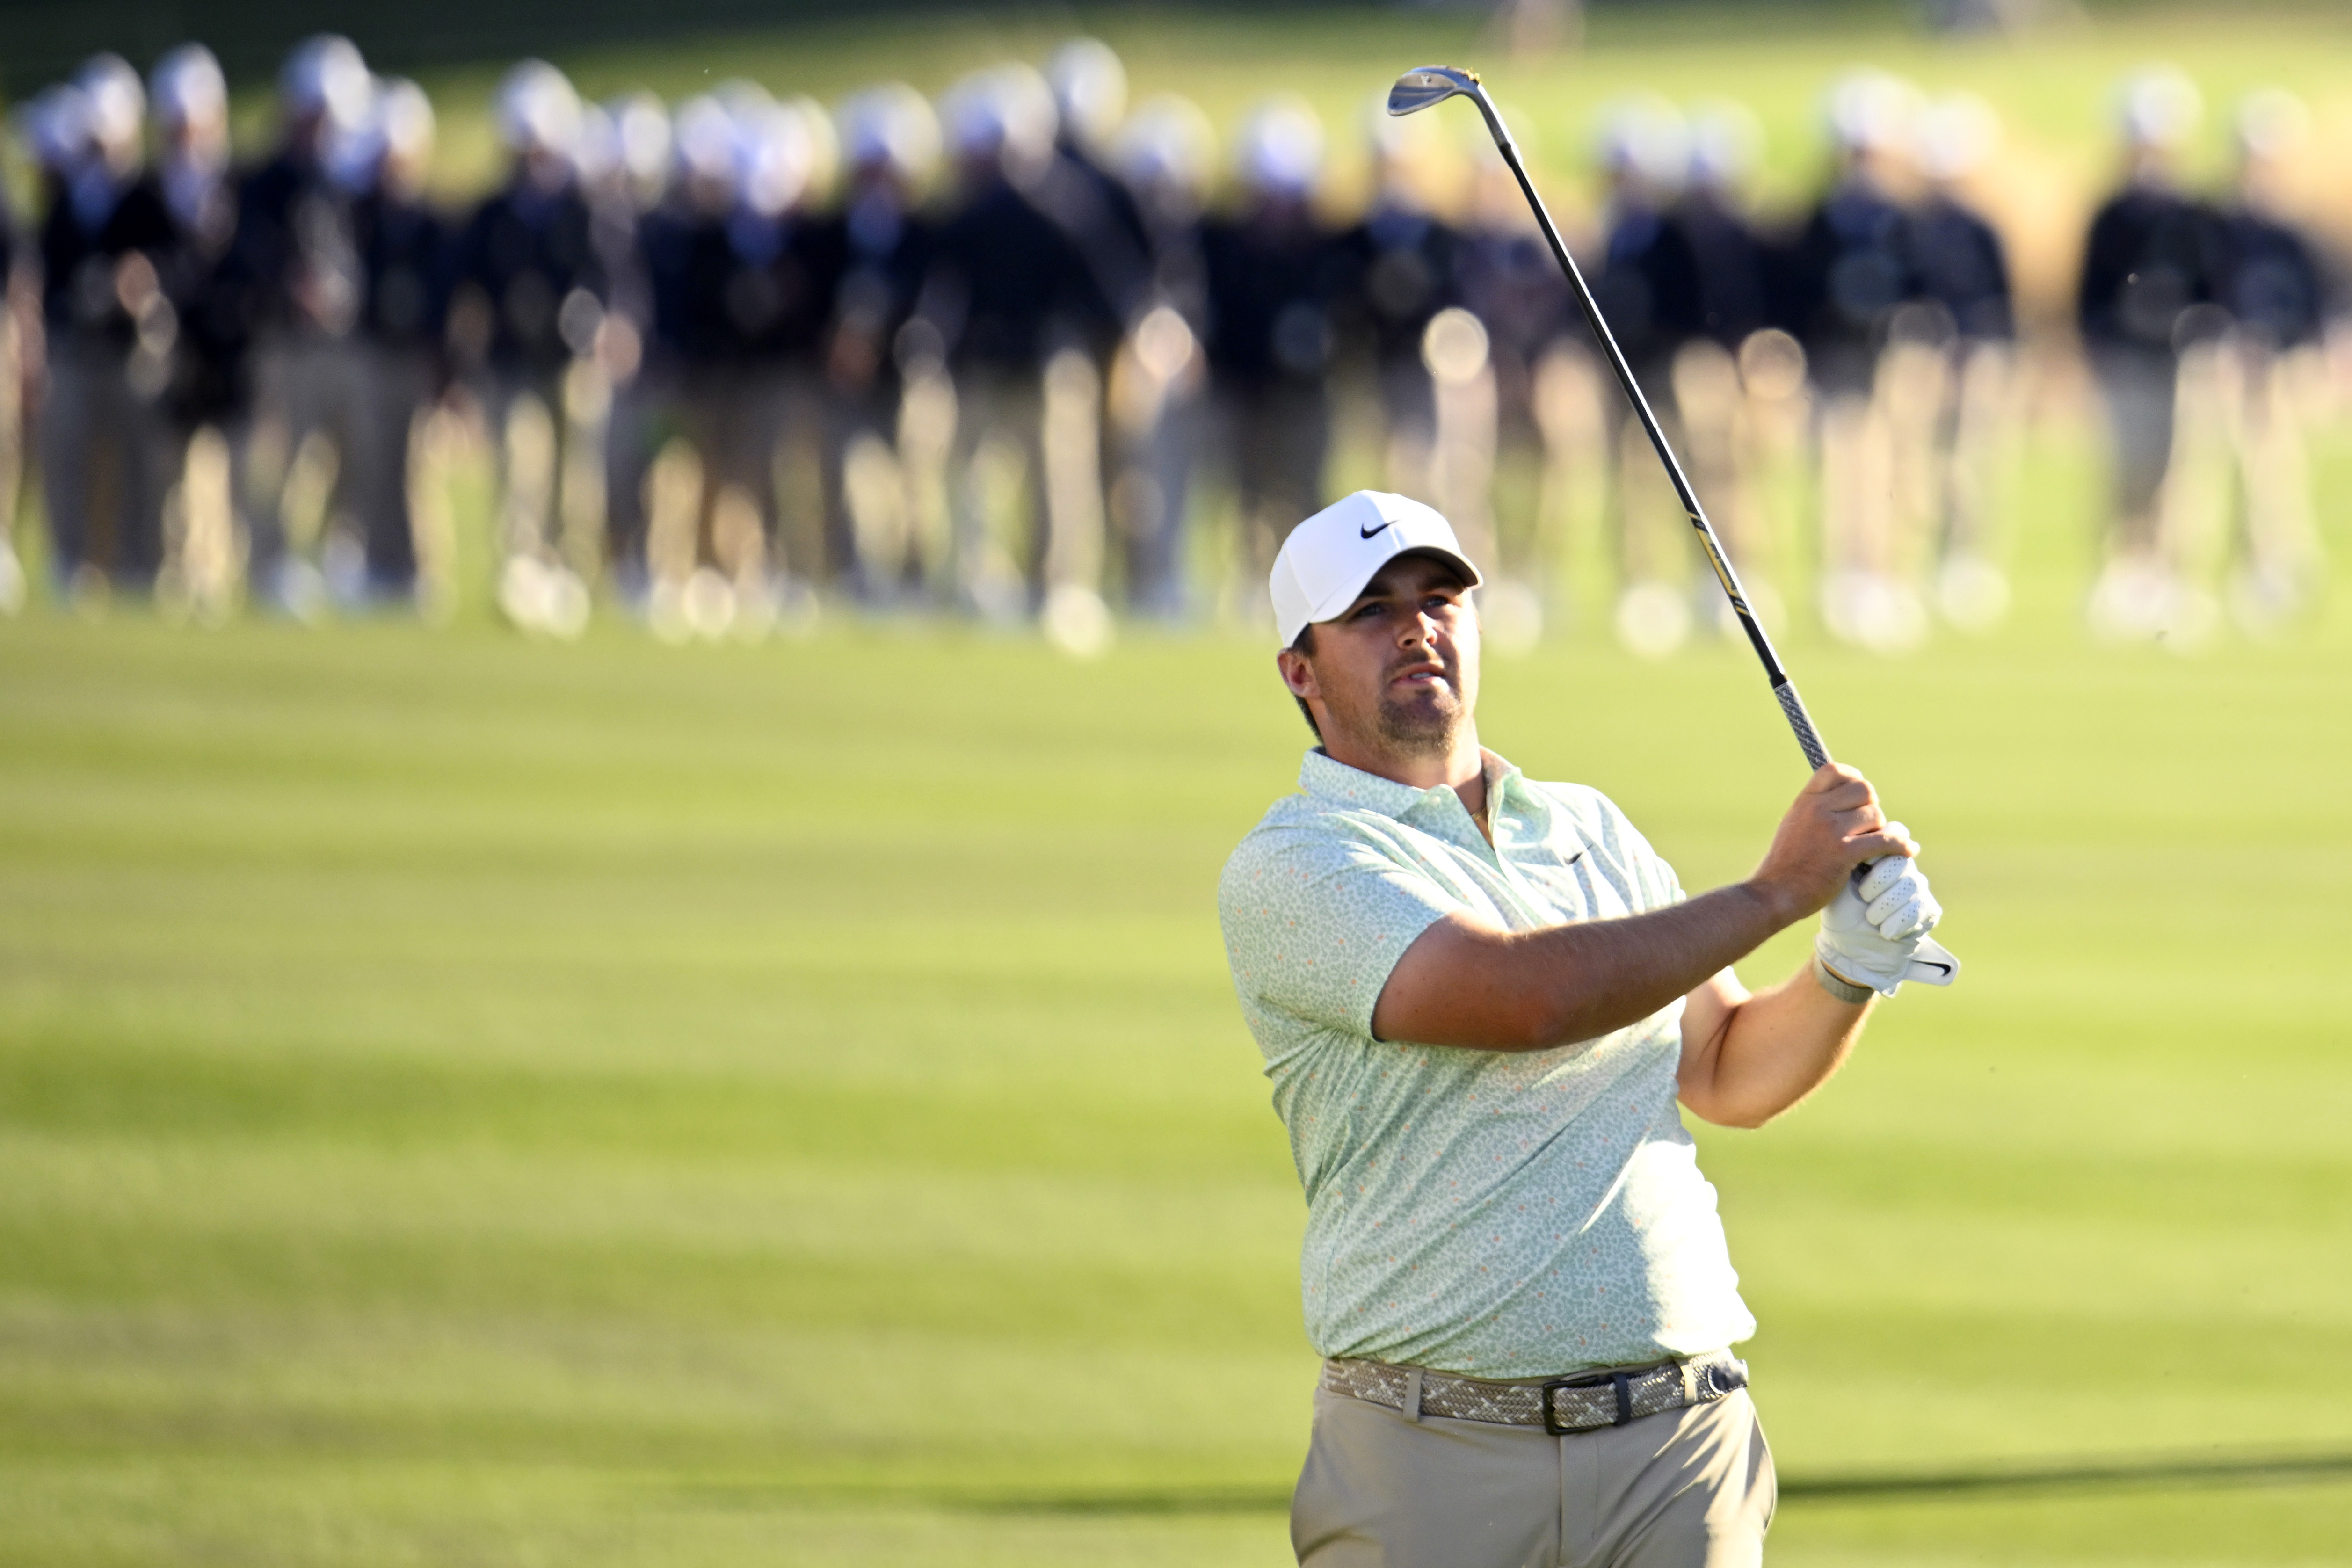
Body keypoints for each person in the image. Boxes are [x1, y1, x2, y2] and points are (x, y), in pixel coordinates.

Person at [1218, 488, 1950, 1568]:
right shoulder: (1293, 866)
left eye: (1439, 597)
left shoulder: (1587, 826)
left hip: (1676, 1444)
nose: (1417, 627)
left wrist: (1845, 969)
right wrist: (1776, 892)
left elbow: (1724, 1066)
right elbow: (1525, 999)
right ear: (1300, 668)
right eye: (1370, 610)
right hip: (1431, 1459)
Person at [449, 58, 603, 635]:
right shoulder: (494, 213)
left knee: (574, 469)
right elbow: (468, 287)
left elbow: (604, 278)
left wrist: (588, 319)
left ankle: (571, 572)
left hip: (570, 362)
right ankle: (520, 568)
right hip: (512, 359)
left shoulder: (581, 208)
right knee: (519, 462)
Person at [230, 34, 375, 616]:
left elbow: (352, 255)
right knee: (282, 460)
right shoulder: (264, 180)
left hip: (335, 341)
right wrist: (290, 285)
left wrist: (341, 291)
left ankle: (333, 560)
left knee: (337, 457)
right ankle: (273, 566)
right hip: (281, 342)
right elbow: (247, 255)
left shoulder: (339, 179)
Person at [2076, 67, 2222, 641]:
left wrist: (2201, 325)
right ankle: (2124, 575)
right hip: (2128, 358)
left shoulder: (2194, 212)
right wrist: (2104, 337)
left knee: (2182, 472)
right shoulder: (2112, 213)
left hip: (2182, 360)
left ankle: (2177, 579)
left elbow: (2217, 285)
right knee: (2128, 468)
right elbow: (2090, 293)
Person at [1786, 70, 1926, 652]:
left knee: (1898, 471)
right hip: (1836, 359)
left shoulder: (1902, 218)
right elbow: (1797, 288)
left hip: (1892, 360)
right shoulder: (1822, 218)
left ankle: (1891, 576)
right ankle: (1848, 578)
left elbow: (1924, 285)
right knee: (1843, 469)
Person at [35, 57, 178, 597]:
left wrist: (142, 282)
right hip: (76, 351)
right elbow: (48, 271)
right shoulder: (65, 197)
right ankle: (72, 565)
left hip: (130, 354)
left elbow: (175, 264)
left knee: (140, 466)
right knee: (69, 461)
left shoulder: (147, 194)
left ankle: (139, 567)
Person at [1199, 98, 1346, 617]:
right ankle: (1250, 586)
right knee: (1248, 492)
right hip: (1246, 387)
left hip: (1307, 392)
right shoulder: (1224, 243)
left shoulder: (1328, 245)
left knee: (1307, 494)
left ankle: (1311, 594)